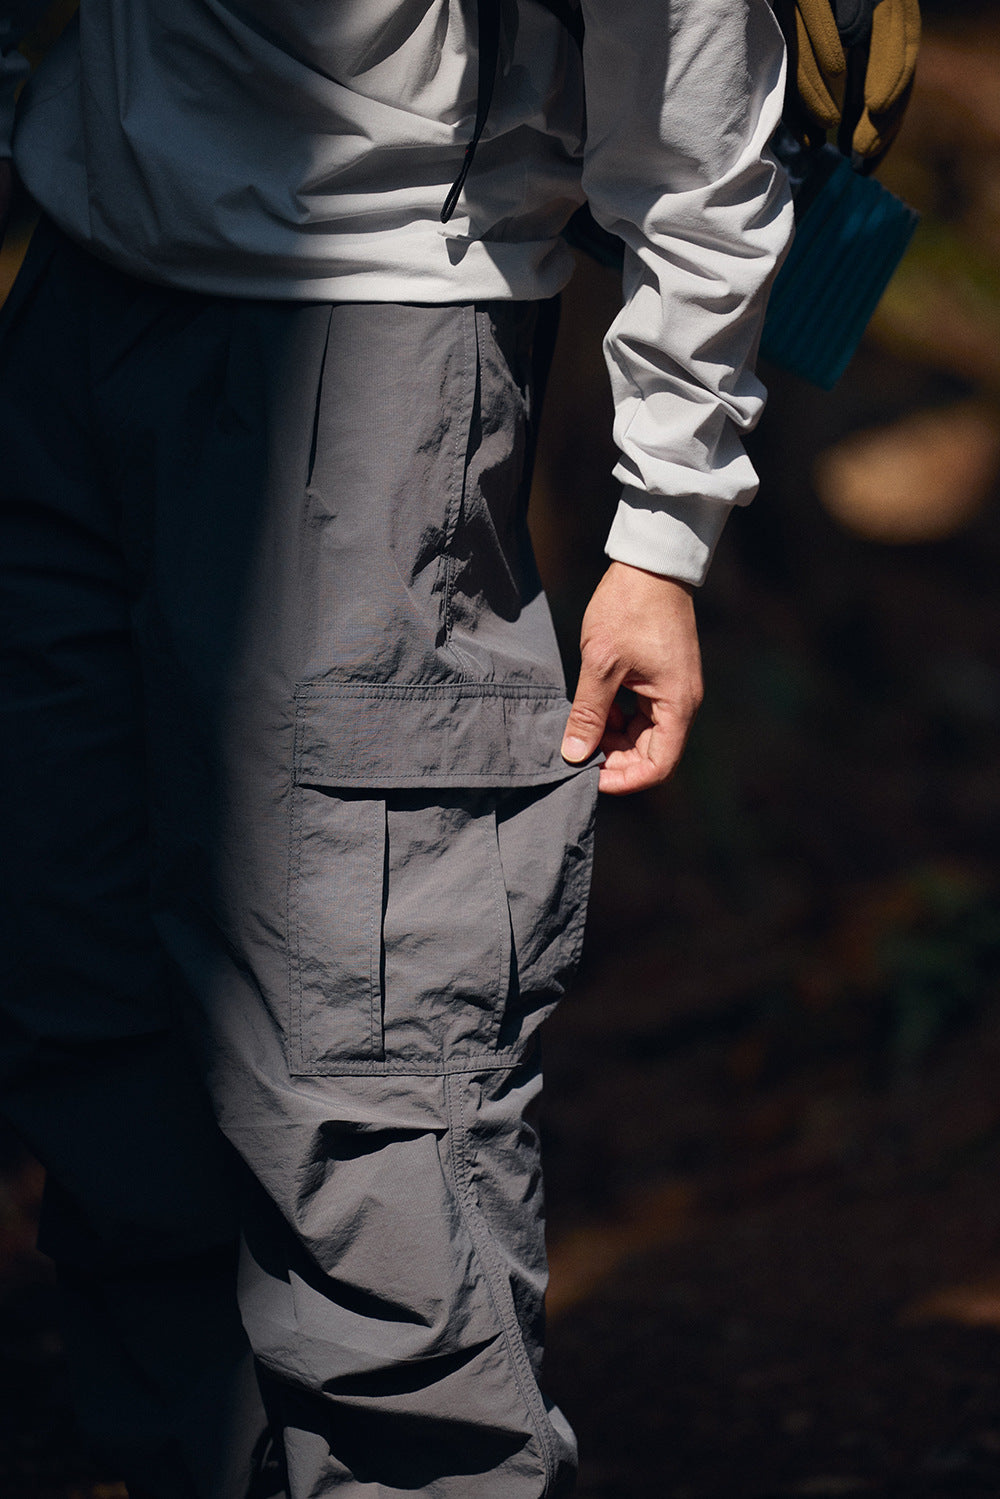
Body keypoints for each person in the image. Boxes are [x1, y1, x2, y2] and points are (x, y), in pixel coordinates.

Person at [0, 2, 792, 1495]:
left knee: (366, 1089)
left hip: (378, 336)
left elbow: (693, 98)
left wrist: (663, 528)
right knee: (94, 1022)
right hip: (73, 296)